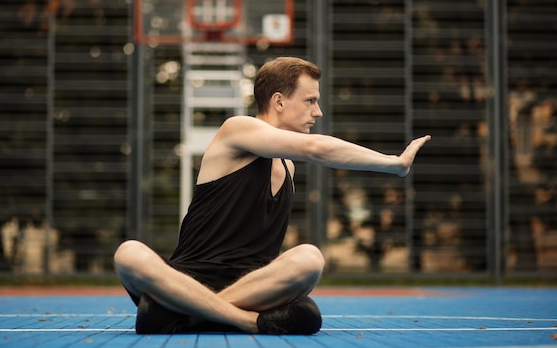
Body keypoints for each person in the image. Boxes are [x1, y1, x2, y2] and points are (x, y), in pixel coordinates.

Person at [114, 56, 431, 334]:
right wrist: (395, 163)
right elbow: (316, 148)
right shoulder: (237, 129)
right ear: (279, 101)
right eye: (310, 101)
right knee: (128, 254)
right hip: (187, 279)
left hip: (255, 286)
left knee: (309, 258)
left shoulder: (288, 167)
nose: (317, 112)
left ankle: (188, 315)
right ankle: (246, 322)